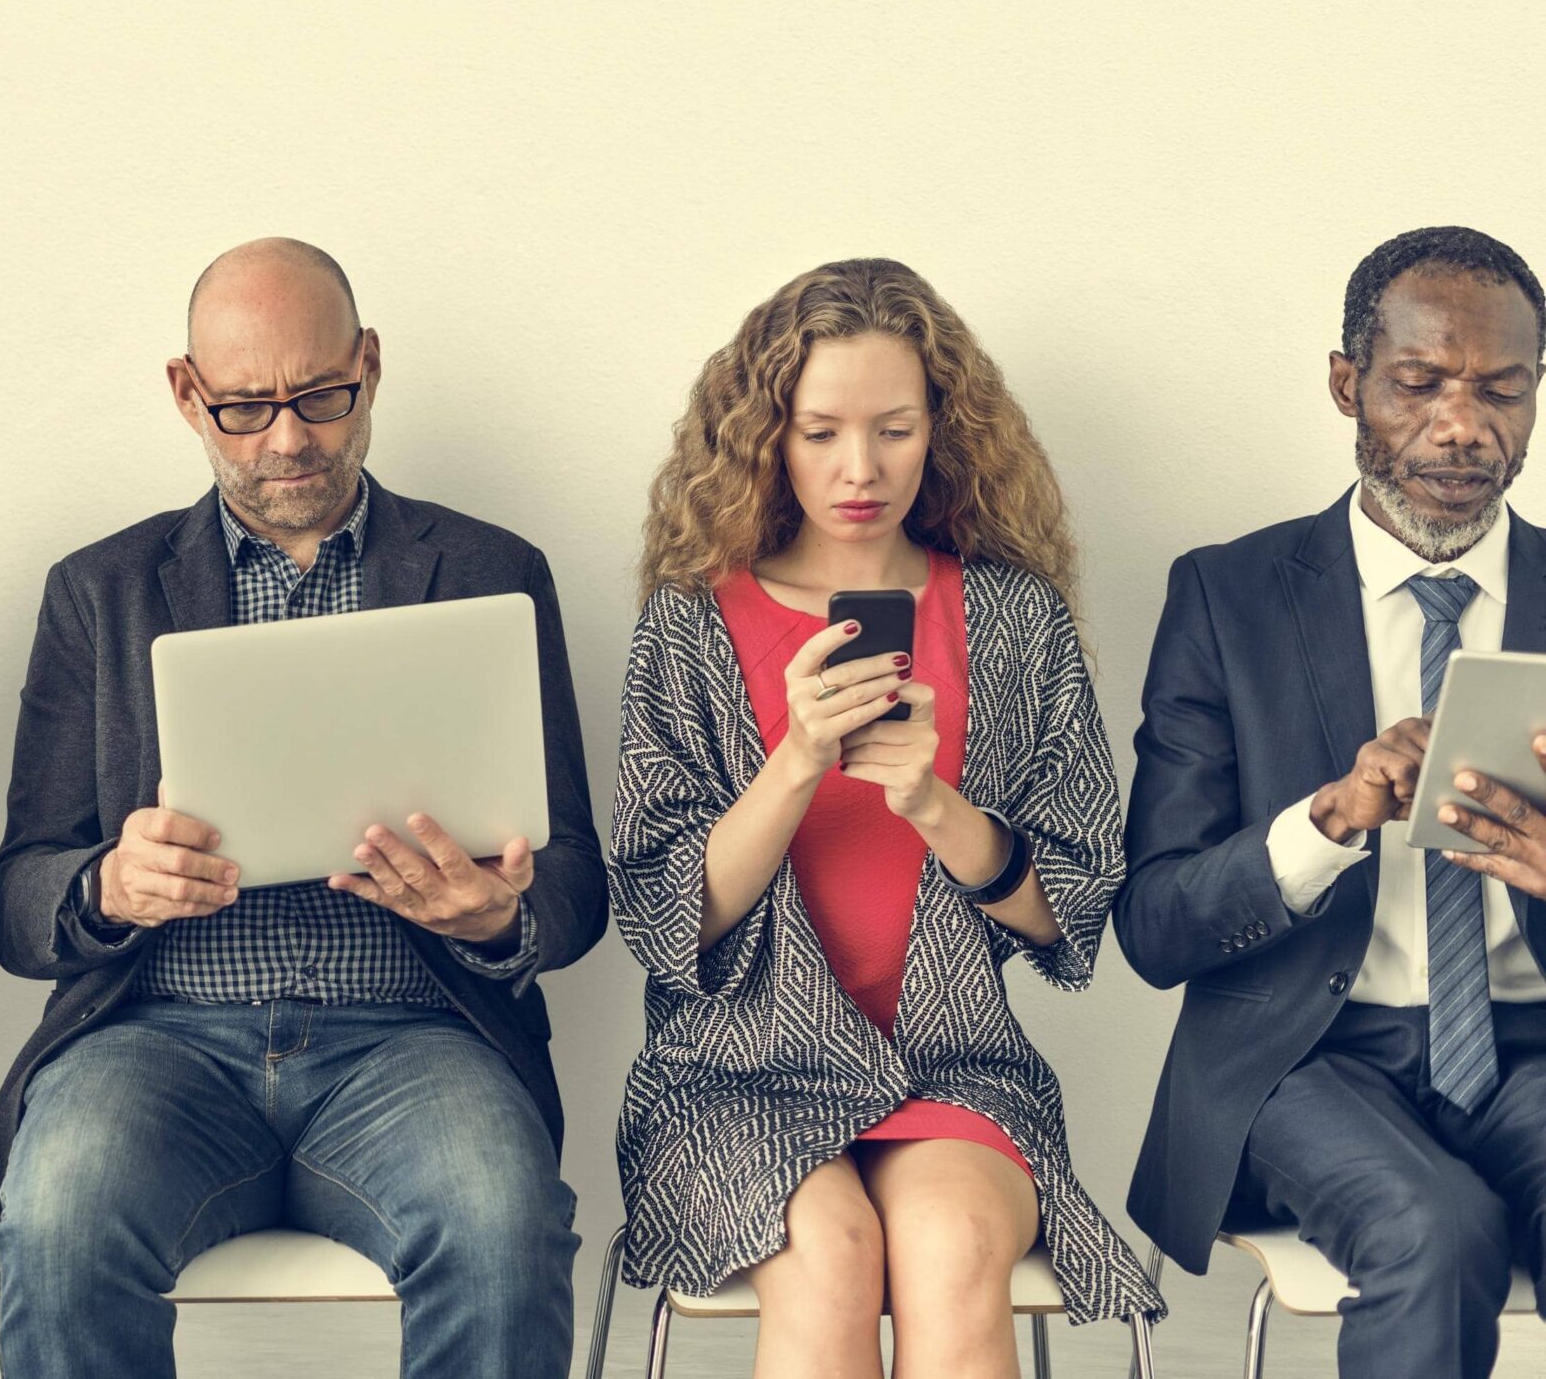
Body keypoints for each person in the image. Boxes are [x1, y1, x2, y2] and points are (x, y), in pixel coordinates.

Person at [0, 237, 606, 1379]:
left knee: (503, 1225)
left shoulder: (487, 570)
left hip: (418, 1040)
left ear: (369, 366)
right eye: (243, 407)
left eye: (321, 395)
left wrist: (496, 917)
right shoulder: (99, 591)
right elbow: (15, 895)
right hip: (153, 1041)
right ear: (185, 393)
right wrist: (106, 886)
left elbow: (574, 884)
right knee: (60, 1218)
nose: (287, 438)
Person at [608, 258, 1161, 1379]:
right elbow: (667, 919)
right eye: (819, 433)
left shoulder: (1014, 621)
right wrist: (798, 759)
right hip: (730, 1076)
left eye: (894, 430)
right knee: (830, 1249)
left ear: (942, 429)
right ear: (766, 434)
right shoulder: (689, 624)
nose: (859, 470)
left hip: (953, 1067)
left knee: (953, 1245)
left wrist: (937, 808)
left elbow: (1075, 909)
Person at [1118, 225, 1546, 1378]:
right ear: (1346, 383)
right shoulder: (1228, 596)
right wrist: (1326, 823)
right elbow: (1154, 927)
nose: (1463, 425)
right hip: (1308, 1054)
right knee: (1432, 1228)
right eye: (1419, 384)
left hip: (1531, 1052)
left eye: (1503, 389)